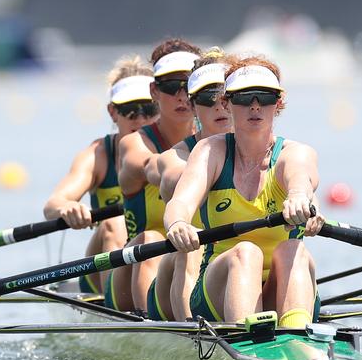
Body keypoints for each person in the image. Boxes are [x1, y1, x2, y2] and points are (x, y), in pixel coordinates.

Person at [163, 55, 324, 327]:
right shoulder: (211, 151)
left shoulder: (296, 153)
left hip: (282, 286)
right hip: (218, 289)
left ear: (279, 102)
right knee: (245, 251)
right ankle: (249, 341)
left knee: (292, 248)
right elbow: (180, 201)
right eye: (243, 98)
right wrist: (178, 223)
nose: (255, 106)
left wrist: (298, 198)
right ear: (226, 103)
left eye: (265, 97)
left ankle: (297, 335)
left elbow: (300, 180)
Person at [43, 56, 158, 294]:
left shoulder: (175, 150)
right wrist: (68, 209)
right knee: (114, 223)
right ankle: (118, 306)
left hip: (156, 256)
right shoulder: (98, 155)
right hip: (105, 266)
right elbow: (53, 204)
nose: (141, 119)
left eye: (149, 109)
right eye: (130, 111)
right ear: (113, 113)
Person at [105, 38, 201, 313]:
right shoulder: (134, 144)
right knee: (152, 238)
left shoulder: (219, 142)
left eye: (189, 85)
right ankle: (151, 321)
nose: (182, 96)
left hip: (197, 262)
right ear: (154, 91)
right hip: (134, 270)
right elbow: (156, 168)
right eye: (171, 87)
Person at [145, 48, 233, 321]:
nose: (220, 105)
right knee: (192, 245)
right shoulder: (175, 157)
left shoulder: (270, 153)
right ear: (193, 106)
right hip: (181, 276)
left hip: (239, 268)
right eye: (209, 98)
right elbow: (173, 180)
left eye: (227, 97)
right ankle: (190, 334)